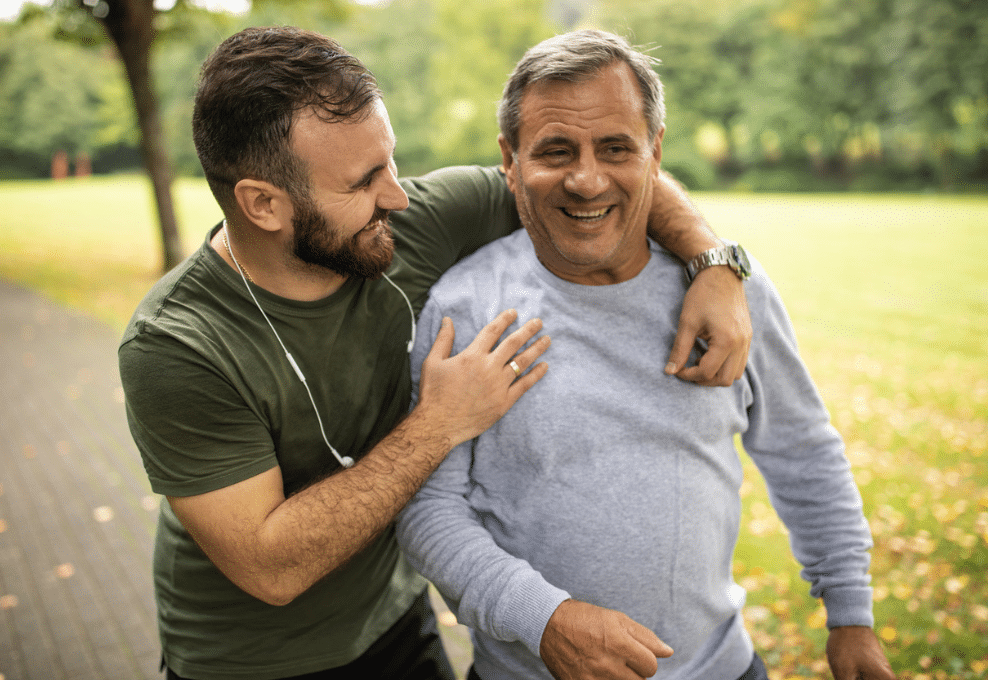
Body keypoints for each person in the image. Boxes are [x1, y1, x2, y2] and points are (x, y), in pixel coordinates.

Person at [118, 26, 751, 680]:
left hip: (399, 623)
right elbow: (271, 567)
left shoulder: (413, 221)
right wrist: (442, 421)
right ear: (263, 204)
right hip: (251, 662)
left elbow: (592, 175)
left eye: (389, 162)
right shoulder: (178, 344)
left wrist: (713, 261)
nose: (396, 193)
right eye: (363, 181)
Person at [397, 30, 897, 680]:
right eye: (555, 151)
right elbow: (427, 508)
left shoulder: (732, 294)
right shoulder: (465, 306)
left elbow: (804, 452)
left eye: (615, 148)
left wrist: (851, 617)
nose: (585, 178)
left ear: (655, 153)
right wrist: (542, 618)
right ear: (509, 160)